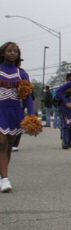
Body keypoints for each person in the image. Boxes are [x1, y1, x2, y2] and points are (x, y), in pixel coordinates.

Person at [0, 42, 35, 193]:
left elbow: (27, 97)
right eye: (9, 51)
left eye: (15, 51)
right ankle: (5, 179)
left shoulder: (21, 74)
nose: (12, 53)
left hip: (15, 112)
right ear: (3, 53)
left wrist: (32, 116)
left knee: (8, 145)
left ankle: (2, 174)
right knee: (1, 144)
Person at [58, 73, 71, 149]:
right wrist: (65, 93)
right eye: (69, 80)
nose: (70, 82)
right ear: (66, 80)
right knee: (65, 126)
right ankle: (65, 142)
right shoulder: (63, 88)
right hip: (64, 110)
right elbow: (57, 98)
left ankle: (69, 141)